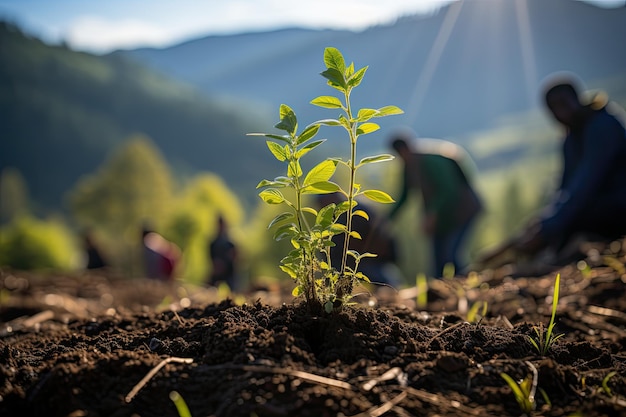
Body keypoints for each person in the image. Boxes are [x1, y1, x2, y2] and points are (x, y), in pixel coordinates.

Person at [515, 76, 626, 256]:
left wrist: (549, 226)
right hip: (599, 205)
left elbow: (586, 184)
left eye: (563, 104)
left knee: (572, 222)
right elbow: (565, 188)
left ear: (577, 99)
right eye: (554, 109)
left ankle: (553, 263)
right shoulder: (571, 139)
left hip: (618, 205)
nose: (561, 113)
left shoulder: (602, 126)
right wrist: (543, 220)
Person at [388, 133, 483, 277]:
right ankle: (441, 293)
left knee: (450, 256)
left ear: (403, 150)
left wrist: (433, 214)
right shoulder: (409, 167)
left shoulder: (430, 161)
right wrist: (386, 220)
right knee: (438, 261)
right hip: (442, 220)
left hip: (462, 211)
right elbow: (404, 196)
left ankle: (465, 288)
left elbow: (449, 190)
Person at [317, 193, 402, 288]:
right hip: (356, 265)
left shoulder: (354, 212)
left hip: (374, 263)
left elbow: (382, 236)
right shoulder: (333, 222)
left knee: (385, 281)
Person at [207, 216, 238, 290]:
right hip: (217, 273)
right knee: (211, 288)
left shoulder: (230, 243)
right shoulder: (213, 243)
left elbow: (236, 257)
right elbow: (211, 258)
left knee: (233, 288)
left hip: (229, 272)